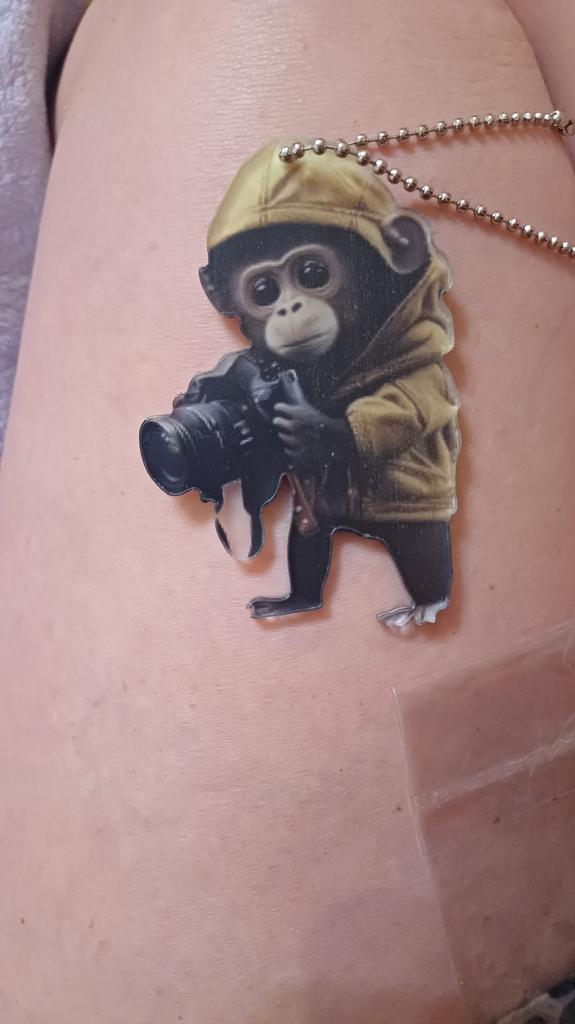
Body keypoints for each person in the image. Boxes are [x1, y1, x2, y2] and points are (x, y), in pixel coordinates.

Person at [0, 2, 574, 1022]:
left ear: (388, 259)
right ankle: (311, 591)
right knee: (311, 543)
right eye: (264, 292)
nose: (289, 311)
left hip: (395, 482)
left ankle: (416, 597)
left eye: (311, 277)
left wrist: (340, 431)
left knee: (417, 547)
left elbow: (415, 410)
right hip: (316, 495)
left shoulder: (407, 337)